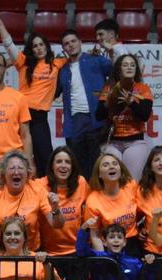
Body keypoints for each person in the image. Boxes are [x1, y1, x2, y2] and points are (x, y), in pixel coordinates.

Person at [0, 9, 64, 177]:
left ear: (47, 46)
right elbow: (8, 43)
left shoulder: (57, 64)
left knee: (45, 157)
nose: (39, 48)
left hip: (39, 118)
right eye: (35, 46)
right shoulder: (23, 62)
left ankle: (43, 190)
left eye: (41, 44)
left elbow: (76, 58)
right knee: (18, 157)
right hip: (21, 114)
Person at [0, 151, 60, 255]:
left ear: (27, 172)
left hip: (29, 252)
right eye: (12, 168)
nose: (16, 172)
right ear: (3, 173)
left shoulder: (37, 189)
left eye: (20, 168)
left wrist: (55, 208)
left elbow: (56, 224)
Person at [55, 29, 113, 178]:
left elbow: (117, 70)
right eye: (66, 44)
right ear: (63, 48)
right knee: (77, 166)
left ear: (80, 42)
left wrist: (111, 50)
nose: (71, 45)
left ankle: (96, 192)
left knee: (97, 164)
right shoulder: (62, 70)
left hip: (95, 119)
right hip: (74, 122)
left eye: (73, 41)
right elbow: (51, 92)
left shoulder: (96, 60)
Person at [43, 147, 90, 280]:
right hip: (51, 254)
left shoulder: (81, 183)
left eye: (67, 162)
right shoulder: (40, 185)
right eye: (59, 162)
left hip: (77, 253)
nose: (63, 166)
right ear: (52, 166)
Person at [97, 54, 153, 181]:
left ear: (136, 70)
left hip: (135, 142)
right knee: (111, 180)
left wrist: (131, 102)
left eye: (132, 65)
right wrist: (108, 104)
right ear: (119, 69)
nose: (129, 67)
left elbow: (144, 116)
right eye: (125, 65)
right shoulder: (109, 88)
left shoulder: (143, 89)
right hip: (112, 142)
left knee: (132, 182)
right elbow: (98, 116)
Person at [77, 222, 151, 280]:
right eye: (111, 237)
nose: (116, 240)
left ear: (124, 242)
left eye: (119, 237)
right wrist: (83, 229)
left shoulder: (134, 262)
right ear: (104, 242)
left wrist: (148, 264)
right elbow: (81, 251)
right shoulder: (99, 258)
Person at [83, 153, 140, 253]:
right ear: (99, 174)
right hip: (109, 245)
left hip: (132, 242)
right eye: (106, 165)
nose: (111, 167)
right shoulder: (93, 201)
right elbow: (94, 235)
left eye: (115, 163)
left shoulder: (132, 186)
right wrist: (103, 258)